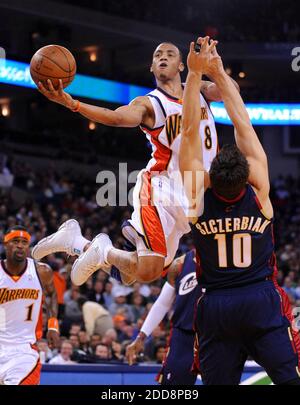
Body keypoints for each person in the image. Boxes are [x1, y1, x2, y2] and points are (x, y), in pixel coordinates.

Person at [32, 41, 237, 285]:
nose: (163, 57)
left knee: (136, 274)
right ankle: (101, 250)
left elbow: (231, 90)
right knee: (151, 270)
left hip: (195, 194)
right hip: (161, 189)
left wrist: (215, 68)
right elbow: (117, 118)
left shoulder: (199, 90)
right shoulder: (149, 103)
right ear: (151, 66)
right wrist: (73, 104)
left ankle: (79, 242)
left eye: (170, 54)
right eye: (157, 55)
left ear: (182, 64)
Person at [179, 36, 300, 385]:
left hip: (216, 305)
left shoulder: (197, 195)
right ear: (245, 176)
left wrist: (194, 74)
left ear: (210, 177)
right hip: (260, 297)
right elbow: (241, 123)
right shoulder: (258, 189)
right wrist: (217, 72)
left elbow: (188, 132)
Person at [126, 250, 201, 385]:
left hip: (215, 334)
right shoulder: (180, 264)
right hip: (184, 335)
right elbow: (162, 304)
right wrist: (141, 337)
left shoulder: (228, 262)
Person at [0, 226, 60, 385]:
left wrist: (53, 325)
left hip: (24, 350)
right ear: (5, 244)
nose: (20, 245)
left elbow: (52, 294)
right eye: (15, 241)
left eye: (24, 242)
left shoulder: (41, 271)